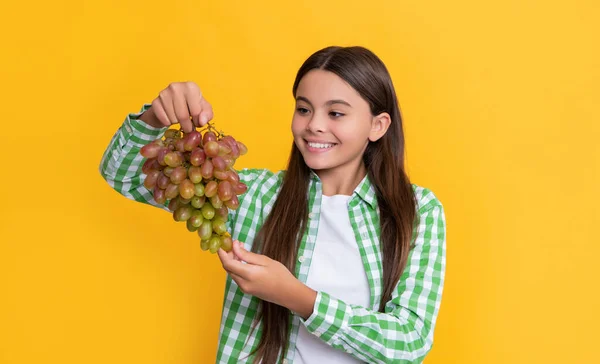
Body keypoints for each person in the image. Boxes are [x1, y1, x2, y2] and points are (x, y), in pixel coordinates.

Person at [99, 46, 447, 364]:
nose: (314, 126)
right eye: (304, 109)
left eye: (336, 113)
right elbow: (124, 176)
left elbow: (410, 342)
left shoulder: (417, 212)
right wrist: (155, 119)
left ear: (377, 125)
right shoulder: (253, 195)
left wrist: (299, 298)